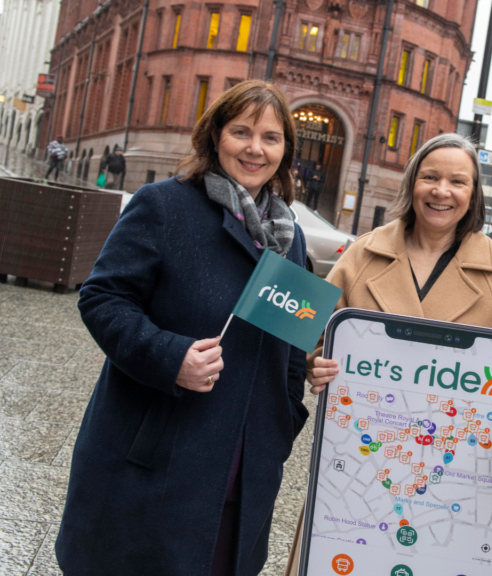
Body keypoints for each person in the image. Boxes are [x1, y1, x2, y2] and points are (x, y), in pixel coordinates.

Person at [55, 80, 310, 576]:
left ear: (286, 151)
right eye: (242, 131)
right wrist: (172, 358)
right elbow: (102, 297)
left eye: (271, 137)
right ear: (215, 136)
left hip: (244, 468)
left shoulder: (289, 236)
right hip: (157, 459)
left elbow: (290, 340)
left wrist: (286, 415)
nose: (255, 148)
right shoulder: (163, 206)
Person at [284, 133, 492, 575]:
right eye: (430, 177)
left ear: (473, 194)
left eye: (458, 181)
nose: (442, 191)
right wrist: (315, 366)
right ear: (412, 183)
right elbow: (316, 335)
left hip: (447, 486)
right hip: (359, 471)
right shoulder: (363, 254)